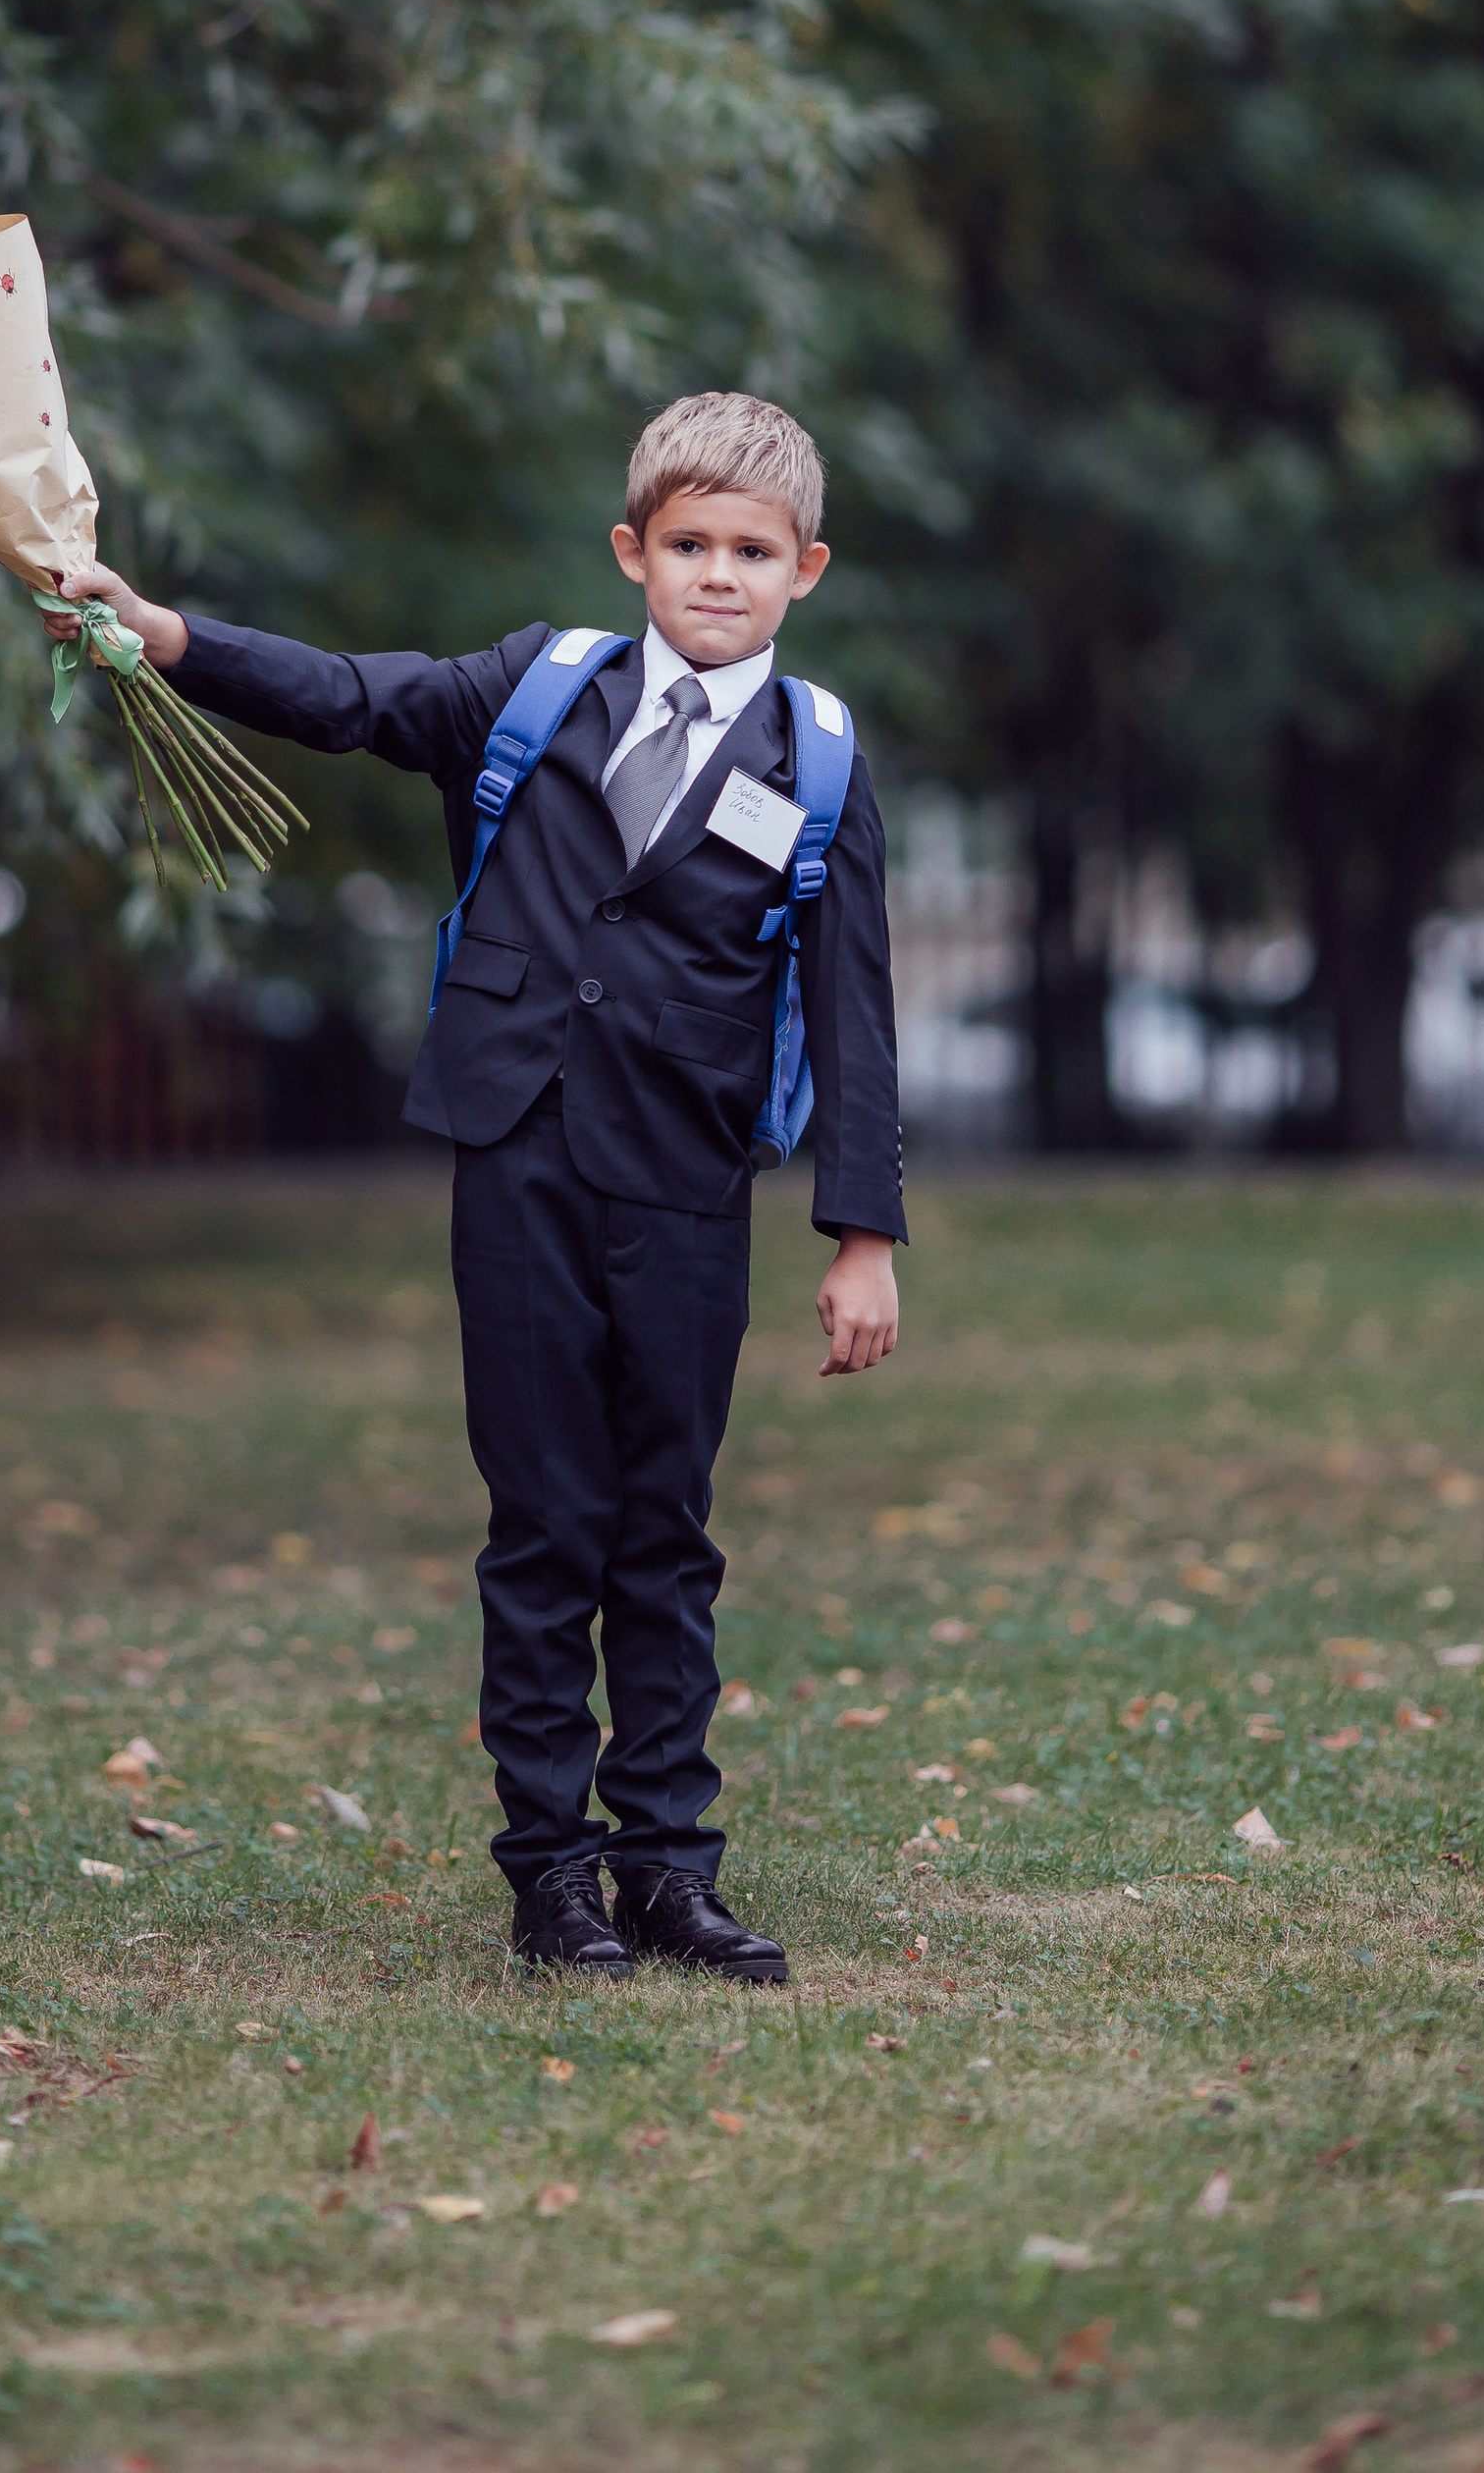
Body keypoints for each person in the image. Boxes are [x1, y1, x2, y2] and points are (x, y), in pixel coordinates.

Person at [46, 389, 902, 1984]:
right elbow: (349, 698)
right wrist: (163, 632)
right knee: (546, 1522)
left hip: (688, 1182)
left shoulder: (827, 763)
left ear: (808, 570)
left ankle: (669, 1866)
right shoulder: (536, 688)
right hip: (518, 1158)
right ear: (634, 552)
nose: (720, 574)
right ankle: (551, 1876)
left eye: (755, 552)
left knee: (666, 1527)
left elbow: (856, 1013)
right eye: (692, 544)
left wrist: (861, 1232)